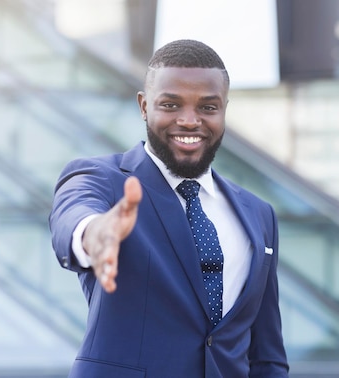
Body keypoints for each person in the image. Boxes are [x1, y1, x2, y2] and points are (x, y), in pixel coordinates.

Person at [49, 39, 289, 378]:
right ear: (144, 106)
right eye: (171, 105)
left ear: (224, 109)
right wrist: (94, 234)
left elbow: (267, 355)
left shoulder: (260, 215)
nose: (190, 121)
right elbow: (73, 215)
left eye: (208, 107)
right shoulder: (102, 179)